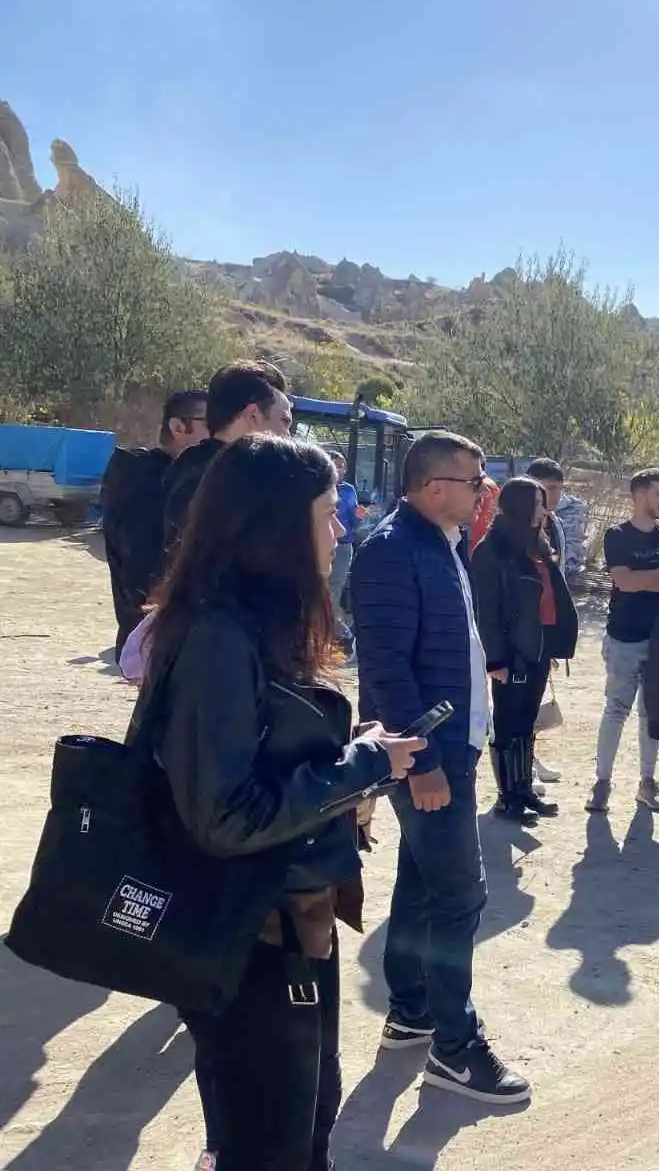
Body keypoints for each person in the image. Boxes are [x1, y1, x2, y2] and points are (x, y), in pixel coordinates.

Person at [142, 434, 422, 1169]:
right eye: (330, 512)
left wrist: (344, 756)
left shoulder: (260, 629)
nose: (342, 529)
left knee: (305, 1126)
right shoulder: (215, 637)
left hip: (292, 920)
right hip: (248, 940)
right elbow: (225, 813)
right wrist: (361, 766)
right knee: (269, 1143)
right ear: (275, 525)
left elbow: (263, 759)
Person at [351, 430, 528, 1104]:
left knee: (422, 880)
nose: (485, 492)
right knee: (460, 896)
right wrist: (423, 762)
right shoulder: (393, 552)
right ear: (433, 488)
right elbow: (388, 669)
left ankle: (412, 1009)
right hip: (431, 754)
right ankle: (455, 1049)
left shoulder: (441, 544)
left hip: (452, 748)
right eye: (474, 481)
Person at [471, 478, 577, 825]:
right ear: (519, 506)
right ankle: (508, 797)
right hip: (512, 652)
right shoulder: (492, 549)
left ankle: (524, 788)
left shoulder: (537, 545)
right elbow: (486, 610)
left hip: (538, 647)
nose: (544, 511)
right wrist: (496, 659)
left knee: (527, 722)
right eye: (537, 503)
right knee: (507, 722)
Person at [588, 468, 659, 814]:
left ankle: (647, 782)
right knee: (616, 710)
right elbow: (625, 583)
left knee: (652, 713)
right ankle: (602, 782)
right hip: (624, 637)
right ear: (639, 495)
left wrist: (642, 579)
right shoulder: (617, 535)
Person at [100, 388, 208, 655]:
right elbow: (147, 571)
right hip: (158, 638)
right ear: (178, 426)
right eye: (211, 424)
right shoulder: (147, 484)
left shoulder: (166, 479)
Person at [163, 360, 294, 556]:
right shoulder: (223, 485)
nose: (288, 436)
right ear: (253, 416)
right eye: (284, 422)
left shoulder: (188, 470)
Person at [527, 457, 589, 581]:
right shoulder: (513, 526)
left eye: (560, 489)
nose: (557, 495)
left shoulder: (556, 524)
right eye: (550, 488)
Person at [327, 450, 360, 648]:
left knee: (333, 591)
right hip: (321, 544)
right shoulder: (319, 487)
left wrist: (359, 516)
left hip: (343, 547)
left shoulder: (349, 490)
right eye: (336, 465)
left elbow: (352, 524)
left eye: (342, 466)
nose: (340, 470)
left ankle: (341, 634)